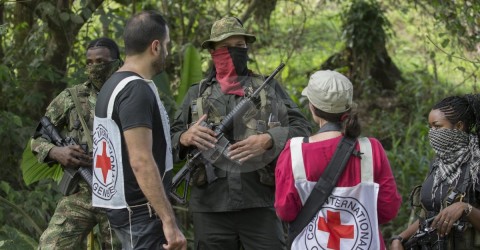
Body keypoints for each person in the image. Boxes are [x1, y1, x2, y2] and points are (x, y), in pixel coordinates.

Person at [170, 16, 311, 249]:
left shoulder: (268, 88)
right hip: (210, 208)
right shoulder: (197, 94)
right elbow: (171, 141)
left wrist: (269, 140)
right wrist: (185, 138)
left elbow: (303, 129)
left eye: (240, 46)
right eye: (226, 47)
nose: (235, 52)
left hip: (260, 203)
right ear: (214, 52)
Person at [274, 70, 401, 249]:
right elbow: (388, 209)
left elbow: (285, 211)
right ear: (348, 109)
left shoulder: (294, 152)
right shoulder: (371, 149)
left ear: (312, 107)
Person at [92, 10, 186, 250]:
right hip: (140, 216)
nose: (167, 52)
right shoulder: (135, 90)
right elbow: (141, 160)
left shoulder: (113, 83)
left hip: (125, 212)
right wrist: (169, 221)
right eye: (166, 45)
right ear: (155, 46)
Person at [31, 37, 122, 249]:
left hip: (120, 195)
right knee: (50, 245)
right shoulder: (71, 97)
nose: (94, 67)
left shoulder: (131, 93)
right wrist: (56, 151)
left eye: (100, 62)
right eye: (89, 62)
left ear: (117, 62)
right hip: (82, 191)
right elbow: (37, 139)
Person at [390, 95, 480, 250]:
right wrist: (400, 238)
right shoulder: (438, 164)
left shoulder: (476, 163)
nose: (432, 133)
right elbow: (431, 215)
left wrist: (466, 208)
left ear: (458, 126)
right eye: (430, 127)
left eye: (437, 126)